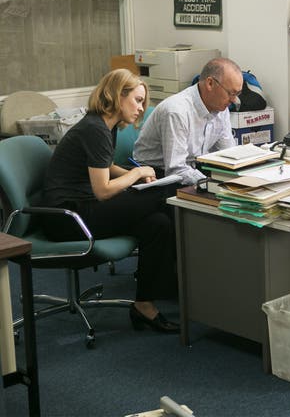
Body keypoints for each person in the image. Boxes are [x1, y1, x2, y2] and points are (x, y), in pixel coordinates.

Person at [42, 68, 180, 333]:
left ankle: (144, 306)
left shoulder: (106, 125)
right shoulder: (95, 129)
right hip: (67, 218)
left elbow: (104, 167)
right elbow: (103, 190)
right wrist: (138, 173)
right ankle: (185, 282)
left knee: (158, 223)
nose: (141, 108)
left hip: (84, 208)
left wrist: (131, 176)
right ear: (118, 95)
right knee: (166, 195)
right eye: (137, 100)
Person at [133, 57, 242, 185]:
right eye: (231, 93)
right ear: (210, 83)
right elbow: (176, 170)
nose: (234, 100)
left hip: (191, 168)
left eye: (237, 94)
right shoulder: (177, 111)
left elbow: (228, 155)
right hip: (155, 176)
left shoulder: (221, 109)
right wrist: (211, 184)